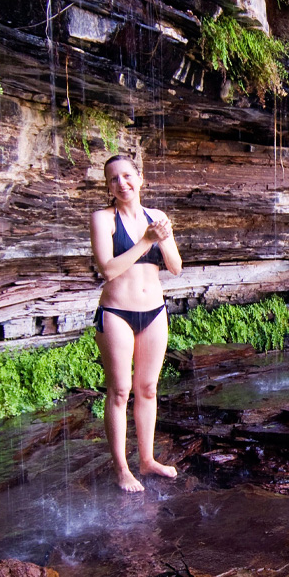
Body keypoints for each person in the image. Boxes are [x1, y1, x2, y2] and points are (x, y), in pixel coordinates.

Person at [90, 153, 183, 492]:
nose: (122, 183)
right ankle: (122, 469)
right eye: (114, 178)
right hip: (116, 313)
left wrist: (163, 237)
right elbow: (108, 269)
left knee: (147, 389)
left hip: (154, 310)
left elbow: (175, 267)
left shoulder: (157, 216)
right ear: (108, 185)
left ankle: (147, 459)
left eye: (127, 176)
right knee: (119, 391)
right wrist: (146, 240)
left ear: (140, 178)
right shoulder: (103, 219)